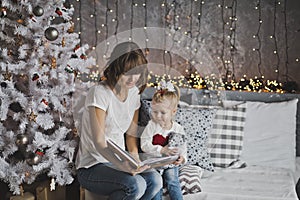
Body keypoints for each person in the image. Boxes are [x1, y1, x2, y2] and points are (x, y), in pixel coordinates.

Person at [75, 42, 163, 200]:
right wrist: (121, 165)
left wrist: (135, 160)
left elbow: (130, 135)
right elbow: (100, 143)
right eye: (126, 72)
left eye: (136, 72)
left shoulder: (134, 93)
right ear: (116, 69)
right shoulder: (99, 93)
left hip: (120, 161)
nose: (132, 79)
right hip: (92, 165)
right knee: (136, 185)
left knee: (156, 180)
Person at [140, 80, 187, 200]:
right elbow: (144, 145)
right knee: (156, 183)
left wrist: (182, 158)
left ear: (173, 112)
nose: (158, 116)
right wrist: (161, 150)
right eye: (155, 112)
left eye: (162, 112)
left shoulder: (178, 128)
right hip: (154, 163)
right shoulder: (151, 126)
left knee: (172, 180)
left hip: (170, 163)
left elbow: (182, 147)